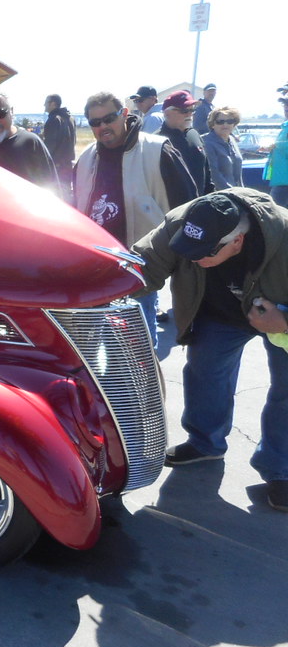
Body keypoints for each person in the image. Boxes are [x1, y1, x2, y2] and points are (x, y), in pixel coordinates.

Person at [132, 190, 288, 511]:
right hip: (219, 313)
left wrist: (283, 321)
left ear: (237, 242)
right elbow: (140, 267)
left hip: (276, 314)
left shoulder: (284, 237)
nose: (192, 258)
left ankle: (281, 471)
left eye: (203, 253)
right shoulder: (183, 222)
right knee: (205, 370)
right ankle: (205, 442)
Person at [73, 91, 196, 346]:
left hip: (140, 267)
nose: (103, 126)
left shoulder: (157, 150)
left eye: (109, 118)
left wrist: (177, 260)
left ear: (125, 114)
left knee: (138, 350)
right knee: (93, 350)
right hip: (96, 268)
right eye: (95, 122)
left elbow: (188, 206)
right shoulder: (85, 158)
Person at [157, 90, 211, 195]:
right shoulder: (156, 141)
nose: (189, 114)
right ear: (167, 113)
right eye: (184, 110)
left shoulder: (194, 135)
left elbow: (207, 177)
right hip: (172, 209)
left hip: (199, 206)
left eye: (192, 110)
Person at [42, 94, 76, 198]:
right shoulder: (70, 118)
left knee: (54, 197)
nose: (44, 105)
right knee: (65, 197)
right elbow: (73, 141)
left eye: (46, 102)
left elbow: (49, 147)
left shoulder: (53, 119)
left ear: (53, 104)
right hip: (67, 164)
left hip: (56, 166)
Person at [201, 106, 244, 190]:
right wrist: (232, 194)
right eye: (220, 122)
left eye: (229, 121)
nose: (225, 125)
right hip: (219, 196)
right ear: (212, 124)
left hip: (236, 193)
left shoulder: (231, 140)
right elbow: (214, 174)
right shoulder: (206, 143)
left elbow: (238, 176)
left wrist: (243, 193)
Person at [266, 94, 288, 207]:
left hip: (284, 181)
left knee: (275, 214)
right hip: (281, 178)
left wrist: (274, 145)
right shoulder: (285, 127)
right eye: (285, 105)